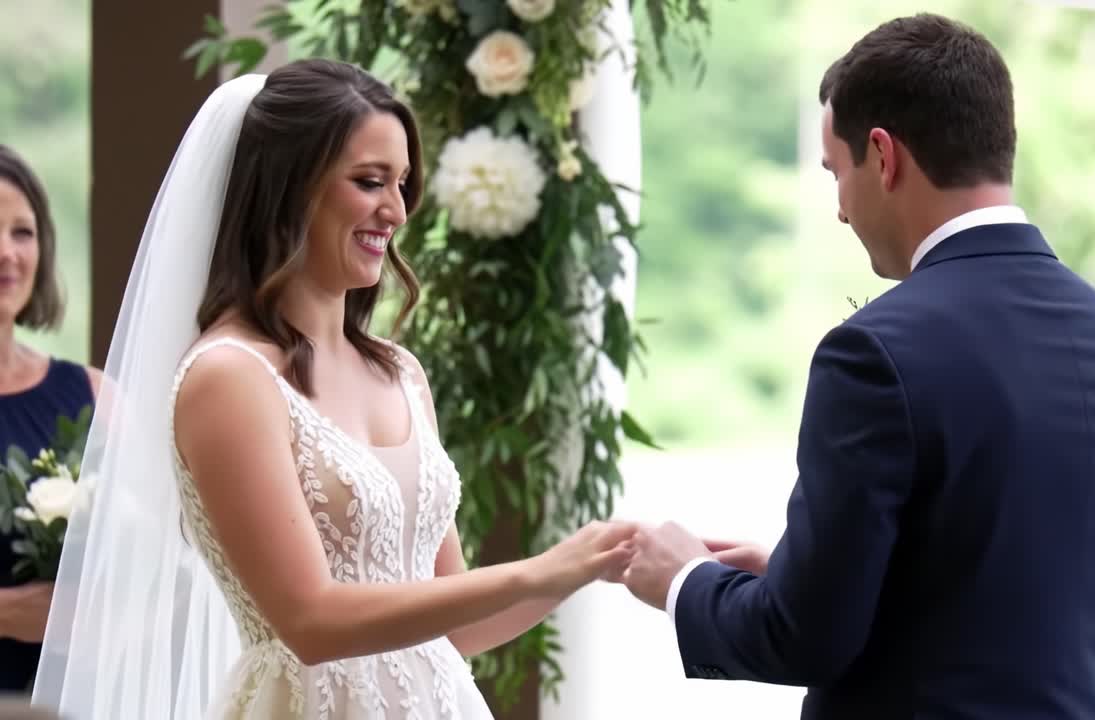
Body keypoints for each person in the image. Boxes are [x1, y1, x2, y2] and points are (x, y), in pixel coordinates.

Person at [31, 58, 634, 719]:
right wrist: (533, 572)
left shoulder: (401, 373)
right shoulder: (229, 377)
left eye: (402, 184)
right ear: (290, 190)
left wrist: (582, 565)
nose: (397, 211)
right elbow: (309, 621)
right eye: (370, 182)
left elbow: (458, 627)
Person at [619, 12, 1095, 719]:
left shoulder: (874, 353)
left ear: (883, 155)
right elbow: (1002, 597)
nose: (841, 211)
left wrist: (683, 580)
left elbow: (803, 639)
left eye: (835, 173)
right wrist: (792, 576)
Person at [0, 145, 101, 694]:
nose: (7, 254)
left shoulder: (91, 393)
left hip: (73, 695)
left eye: (22, 232)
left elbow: (176, 543)